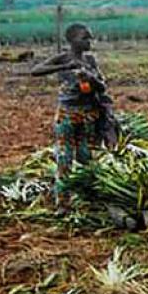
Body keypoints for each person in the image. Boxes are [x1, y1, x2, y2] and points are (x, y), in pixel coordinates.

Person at [31, 23, 117, 208]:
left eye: (89, 38)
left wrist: (91, 79)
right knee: (64, 157)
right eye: (84, 38)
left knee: (86, 156)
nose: (89, 41)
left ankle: (88, 198)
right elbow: (35, 70)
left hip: (88, 115)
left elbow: (103, 87)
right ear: (72, 40)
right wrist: (65, 66)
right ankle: (62, 202)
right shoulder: (63, 58)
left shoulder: (91, 61)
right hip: (67, 115)